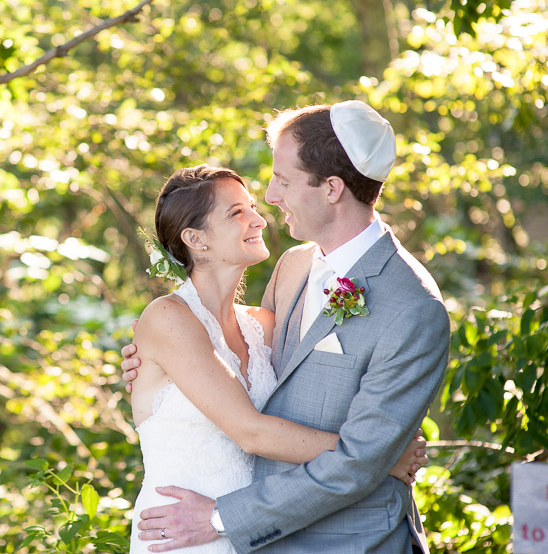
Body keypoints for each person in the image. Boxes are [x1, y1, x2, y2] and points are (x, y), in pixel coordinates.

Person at [122, 101, 449, 553]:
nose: (271, 199)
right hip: (204, 530)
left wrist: (220, 518)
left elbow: (359, 459)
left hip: (352, 541)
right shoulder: (294, 267)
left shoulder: (411, 307)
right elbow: (236, 387)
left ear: (332, 188)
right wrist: (153, 367)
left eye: (283, 180)